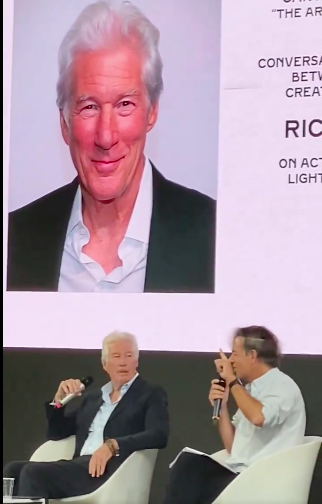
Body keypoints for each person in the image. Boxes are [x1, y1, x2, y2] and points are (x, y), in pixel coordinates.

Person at [7, 0, 215, 294]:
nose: (106, 137)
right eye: (89, 106)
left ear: (151, 112)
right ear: (65, 124)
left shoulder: (215, 236)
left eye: (125, 105)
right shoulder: (14, 239)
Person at [3, 331, 169, 499]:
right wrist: (58, 402)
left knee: (33, 473)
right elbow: (57, 433)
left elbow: (159, 435)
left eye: (129, 355)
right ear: (105, 364)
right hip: (78, 467)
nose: (123, 362)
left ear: (136, 360)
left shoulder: (149, 394)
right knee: (12, 471)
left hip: (108, 470)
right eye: (116, 356)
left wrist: (112, 445)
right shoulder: (94, 398)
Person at [163, 325, 306, 504]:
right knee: (189, 465)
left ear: (252, 356)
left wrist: (232, 381)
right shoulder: (251, 390)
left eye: (235, 354)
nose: (231, 361)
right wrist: (222, 407)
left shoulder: (282, 386)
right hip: (240, 473)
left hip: (265, 478)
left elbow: (258, 417)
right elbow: (234, 448)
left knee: (190, 469)